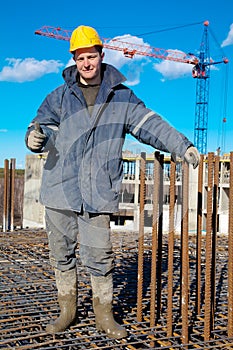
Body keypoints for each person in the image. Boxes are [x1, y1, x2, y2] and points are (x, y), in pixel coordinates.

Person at [25, 25, 200, 339]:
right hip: (59, 189)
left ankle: (104, 315)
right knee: (60, 254)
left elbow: (150, 124)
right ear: (73, 60)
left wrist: (181, 146)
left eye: (91, 56)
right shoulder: (59, 96)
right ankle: (68, 310)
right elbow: (40, 127)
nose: (86, 63)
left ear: (101, 55)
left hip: (97, 191)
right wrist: (34, 137)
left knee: (99, 256)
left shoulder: (121, 96)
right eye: (80, 58)